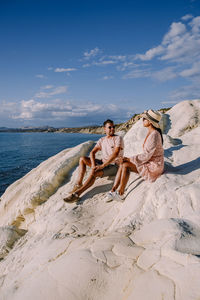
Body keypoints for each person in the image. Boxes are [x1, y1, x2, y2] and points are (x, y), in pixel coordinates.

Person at [107, 109, 164, 201]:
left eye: (144, 119)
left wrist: (129, 159)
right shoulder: (152, 133)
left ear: (149, 122)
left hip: (154, 166)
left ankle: (120, 194)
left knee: (125, 165)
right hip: (150, 161)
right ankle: (113, 190)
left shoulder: (154, 135)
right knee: (123, 163)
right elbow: (147, 155)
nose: (142, 120)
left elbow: (146, 156)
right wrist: (128, 159)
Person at [63, 119, 124, 203]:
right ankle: (78, 184)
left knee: (94, 173)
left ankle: (77, 194)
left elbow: (115, 154)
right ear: (104, 129)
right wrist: (93, 165)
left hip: (114, 165)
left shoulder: (118, 138)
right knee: (82, 159)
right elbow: (92, 152)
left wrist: (102, 166)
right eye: (110, 127)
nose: (112, 129)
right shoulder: (102, 140)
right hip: (103, 162)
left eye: (113, 127)